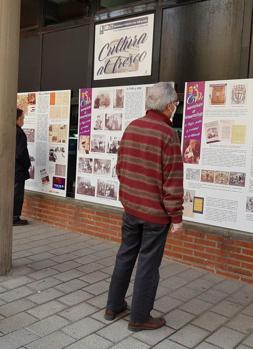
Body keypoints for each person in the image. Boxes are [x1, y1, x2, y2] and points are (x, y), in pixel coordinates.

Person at [105, 82, 184, 332]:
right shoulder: (168, 135)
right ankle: (139, 317)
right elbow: (172, 180)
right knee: (148, 264)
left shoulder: (132, 127)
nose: (176, 109)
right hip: (155, 215)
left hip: (131, 209)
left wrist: (130, 195)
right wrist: (177, 217)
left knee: (125, 255)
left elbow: (120, 168)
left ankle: (113, 306)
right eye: (176, 104)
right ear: (169, 105)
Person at [14, 108, 31, 226]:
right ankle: (15, 217)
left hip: (12, 169)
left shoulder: (11, 130)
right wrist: (27, 164)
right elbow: (20, 153)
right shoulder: (19, 132)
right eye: (23, 118)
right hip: (18, 170)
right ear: (18, 119)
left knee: (14, 193)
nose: (23, 120)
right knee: (17, 194)